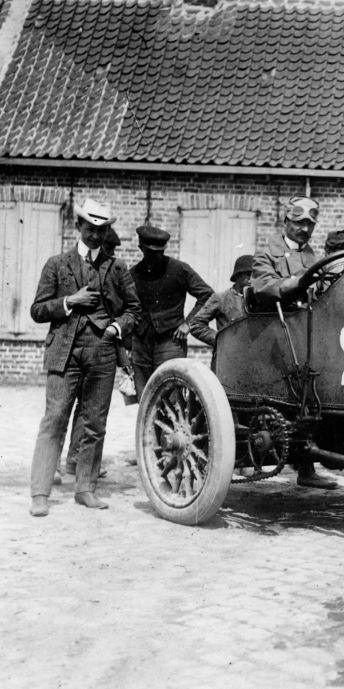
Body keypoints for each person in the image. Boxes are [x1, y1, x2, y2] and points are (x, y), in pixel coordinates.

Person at [28, 199, 141, 516]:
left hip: (103, 352)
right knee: (54, 419)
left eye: (102, 231)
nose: (96, 237)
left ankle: (85, 488)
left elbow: (134, 310)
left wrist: (117, 327)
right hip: (64, 351)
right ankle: (40, 493)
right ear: (78, 227)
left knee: (94, 423)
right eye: (91, 229)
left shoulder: (116, 267)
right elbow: (38, 310)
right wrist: (69, 301)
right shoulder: (56, 264)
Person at [250, 195, 339, 490]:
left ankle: (308, 467)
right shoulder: (266, 254)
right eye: (299, 222)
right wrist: (296, 283)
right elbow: (263, 287)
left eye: (310, 224)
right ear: (286, 222)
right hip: (276, 332)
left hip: (311, 332)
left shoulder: (315, 258)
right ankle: (305, 465)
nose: (304, 229)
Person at [60, 226, 125, 484]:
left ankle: (74, 462)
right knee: (64, 411)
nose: (110, 255)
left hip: (101, 345)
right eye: (110, 250)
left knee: (85, 411)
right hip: (78, 348)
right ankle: (66, 461)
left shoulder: (110, 271)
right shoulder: (89, 273)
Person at [129, 225, 213, 396]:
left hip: (171, 342)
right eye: (151, 253)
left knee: (171, 396)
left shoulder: (179, 269)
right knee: (144, 397)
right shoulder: (133, 274)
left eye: (160, 252)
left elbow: (207, 296)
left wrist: (188, 324)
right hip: (141, 344)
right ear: (141, 248)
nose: (156, 257)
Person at [188, 254, 253, 348]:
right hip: (227, 355)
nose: (252, 278)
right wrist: (221, 339)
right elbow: (195, 325)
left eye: (256, 274)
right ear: (238, 276)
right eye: (248, 274)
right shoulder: (221, 298)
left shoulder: (261, 299)